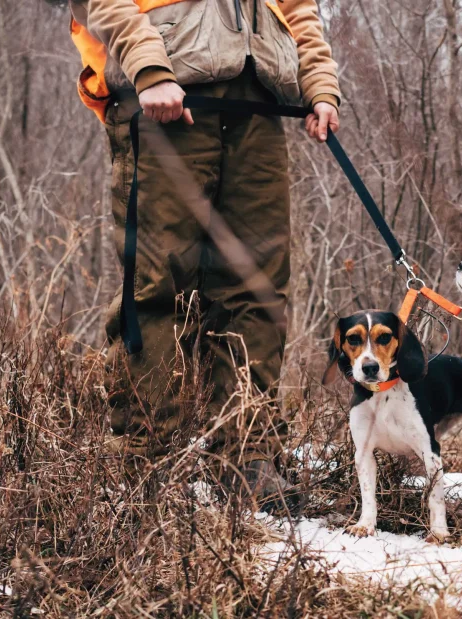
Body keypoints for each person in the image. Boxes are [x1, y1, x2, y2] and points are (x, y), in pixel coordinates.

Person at [68, 0, 340, 504]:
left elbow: (298, 7)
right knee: (158, 287)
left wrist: (320, 85)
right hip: (163, 94)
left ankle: (247, 457)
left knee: (257, 286)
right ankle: (146, 462)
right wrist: (149, 69)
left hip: (257, 101)